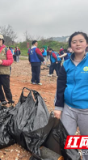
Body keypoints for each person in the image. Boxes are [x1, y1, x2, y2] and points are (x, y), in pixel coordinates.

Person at [54, 31, 88, 160]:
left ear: (86, 44)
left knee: (86, 139)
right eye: (74, 42)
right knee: (68, 137)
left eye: (81, 41)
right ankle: (72, 157)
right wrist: (58, 107)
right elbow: (61, 87)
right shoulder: (66, 64)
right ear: (70, 46)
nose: (77, 44)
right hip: (69, 108)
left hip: (86, 109)